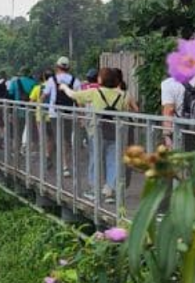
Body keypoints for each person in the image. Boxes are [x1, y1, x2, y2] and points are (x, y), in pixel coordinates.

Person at [67, 67, 136, 200]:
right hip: (115, 131)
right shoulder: (123, 95)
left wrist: (65, 88)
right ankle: (110, 191)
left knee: (95, 159)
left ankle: (94, 190)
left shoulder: (95, 92)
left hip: (97, 131)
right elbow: (125, 112)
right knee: (113, 161)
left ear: (100, 79)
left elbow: (75, 96)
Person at [41, 56, 80, 177]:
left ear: (57, 67)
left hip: (54, 113)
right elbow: (78, 100)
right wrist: (81, 115)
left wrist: (41, 106)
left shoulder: (51, 80)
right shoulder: (75, 81)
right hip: (69, 113)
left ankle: (60, 164)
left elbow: (44, 96)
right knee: (67, 139)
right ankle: (65, 166)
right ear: (69, 68)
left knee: (58, 138)